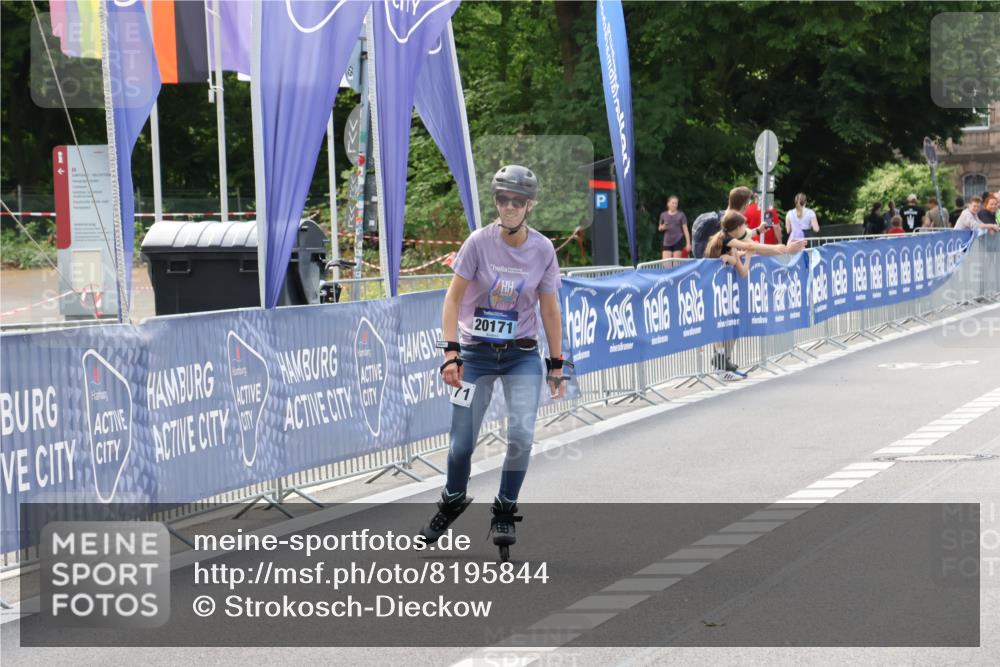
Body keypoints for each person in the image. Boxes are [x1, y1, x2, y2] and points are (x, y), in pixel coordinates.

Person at [420, 164, 566, 556]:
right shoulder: (477, 243)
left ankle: (504, 508)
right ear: (497, 202)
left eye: (517, 201)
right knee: (461, 444)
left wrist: (556, 362)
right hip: (476, 355)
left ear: (529, 205)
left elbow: (550, 310)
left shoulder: (543, 249)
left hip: (520, 356)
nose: (509, 207)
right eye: (503, 200)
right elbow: (452, 299)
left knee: (520, 436)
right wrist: (451, 352)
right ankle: (452, 499)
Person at [704, 211, 807, 378]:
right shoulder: (726, 239)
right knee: (721, 329)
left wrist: (746, 257)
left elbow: (743, 272)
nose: (745, 229)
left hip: (726, 294)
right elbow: (752, 245)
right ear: (737, 228)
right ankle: (721, 367)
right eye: (743, 226)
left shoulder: (732, 244)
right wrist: (786, 249)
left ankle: (724, 363)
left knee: (730, 328)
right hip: (716, 292)